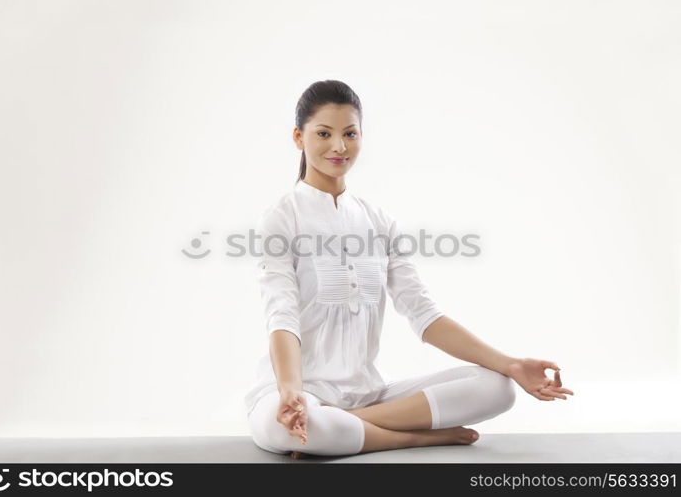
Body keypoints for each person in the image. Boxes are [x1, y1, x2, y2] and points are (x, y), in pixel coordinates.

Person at [244, 80, 574, 458]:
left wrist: (512, 364)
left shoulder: (378, 220)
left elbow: (424, 314)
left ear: (361, 137)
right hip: (295, 389)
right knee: (281, 424)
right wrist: (290, 391)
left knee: (498, 388)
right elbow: (282, 316)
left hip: (369, 391)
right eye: (324, 133)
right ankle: (410, 436)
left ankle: (347, 423)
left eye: (350, 134)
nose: (339, 146)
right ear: (298, 138)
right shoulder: (281, 218)